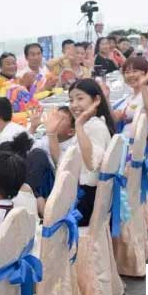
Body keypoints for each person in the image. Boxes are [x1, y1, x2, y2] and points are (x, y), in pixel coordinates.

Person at [64, 79, 115, 227]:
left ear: (96, 100)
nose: (74, 105)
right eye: (71, 100)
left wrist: (78, 124)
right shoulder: (92, 123)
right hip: (87, 196)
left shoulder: (94, 127)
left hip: (87, 202)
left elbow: (91, 164)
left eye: (80, 98)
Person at [112, 57, 148, 138]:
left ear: (146, 73)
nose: (131, 75)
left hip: (135, 142)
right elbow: (113, 117)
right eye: (127, 72)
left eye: (135, 71)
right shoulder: (130, 95)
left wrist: (143, 85)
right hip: (124, 137)